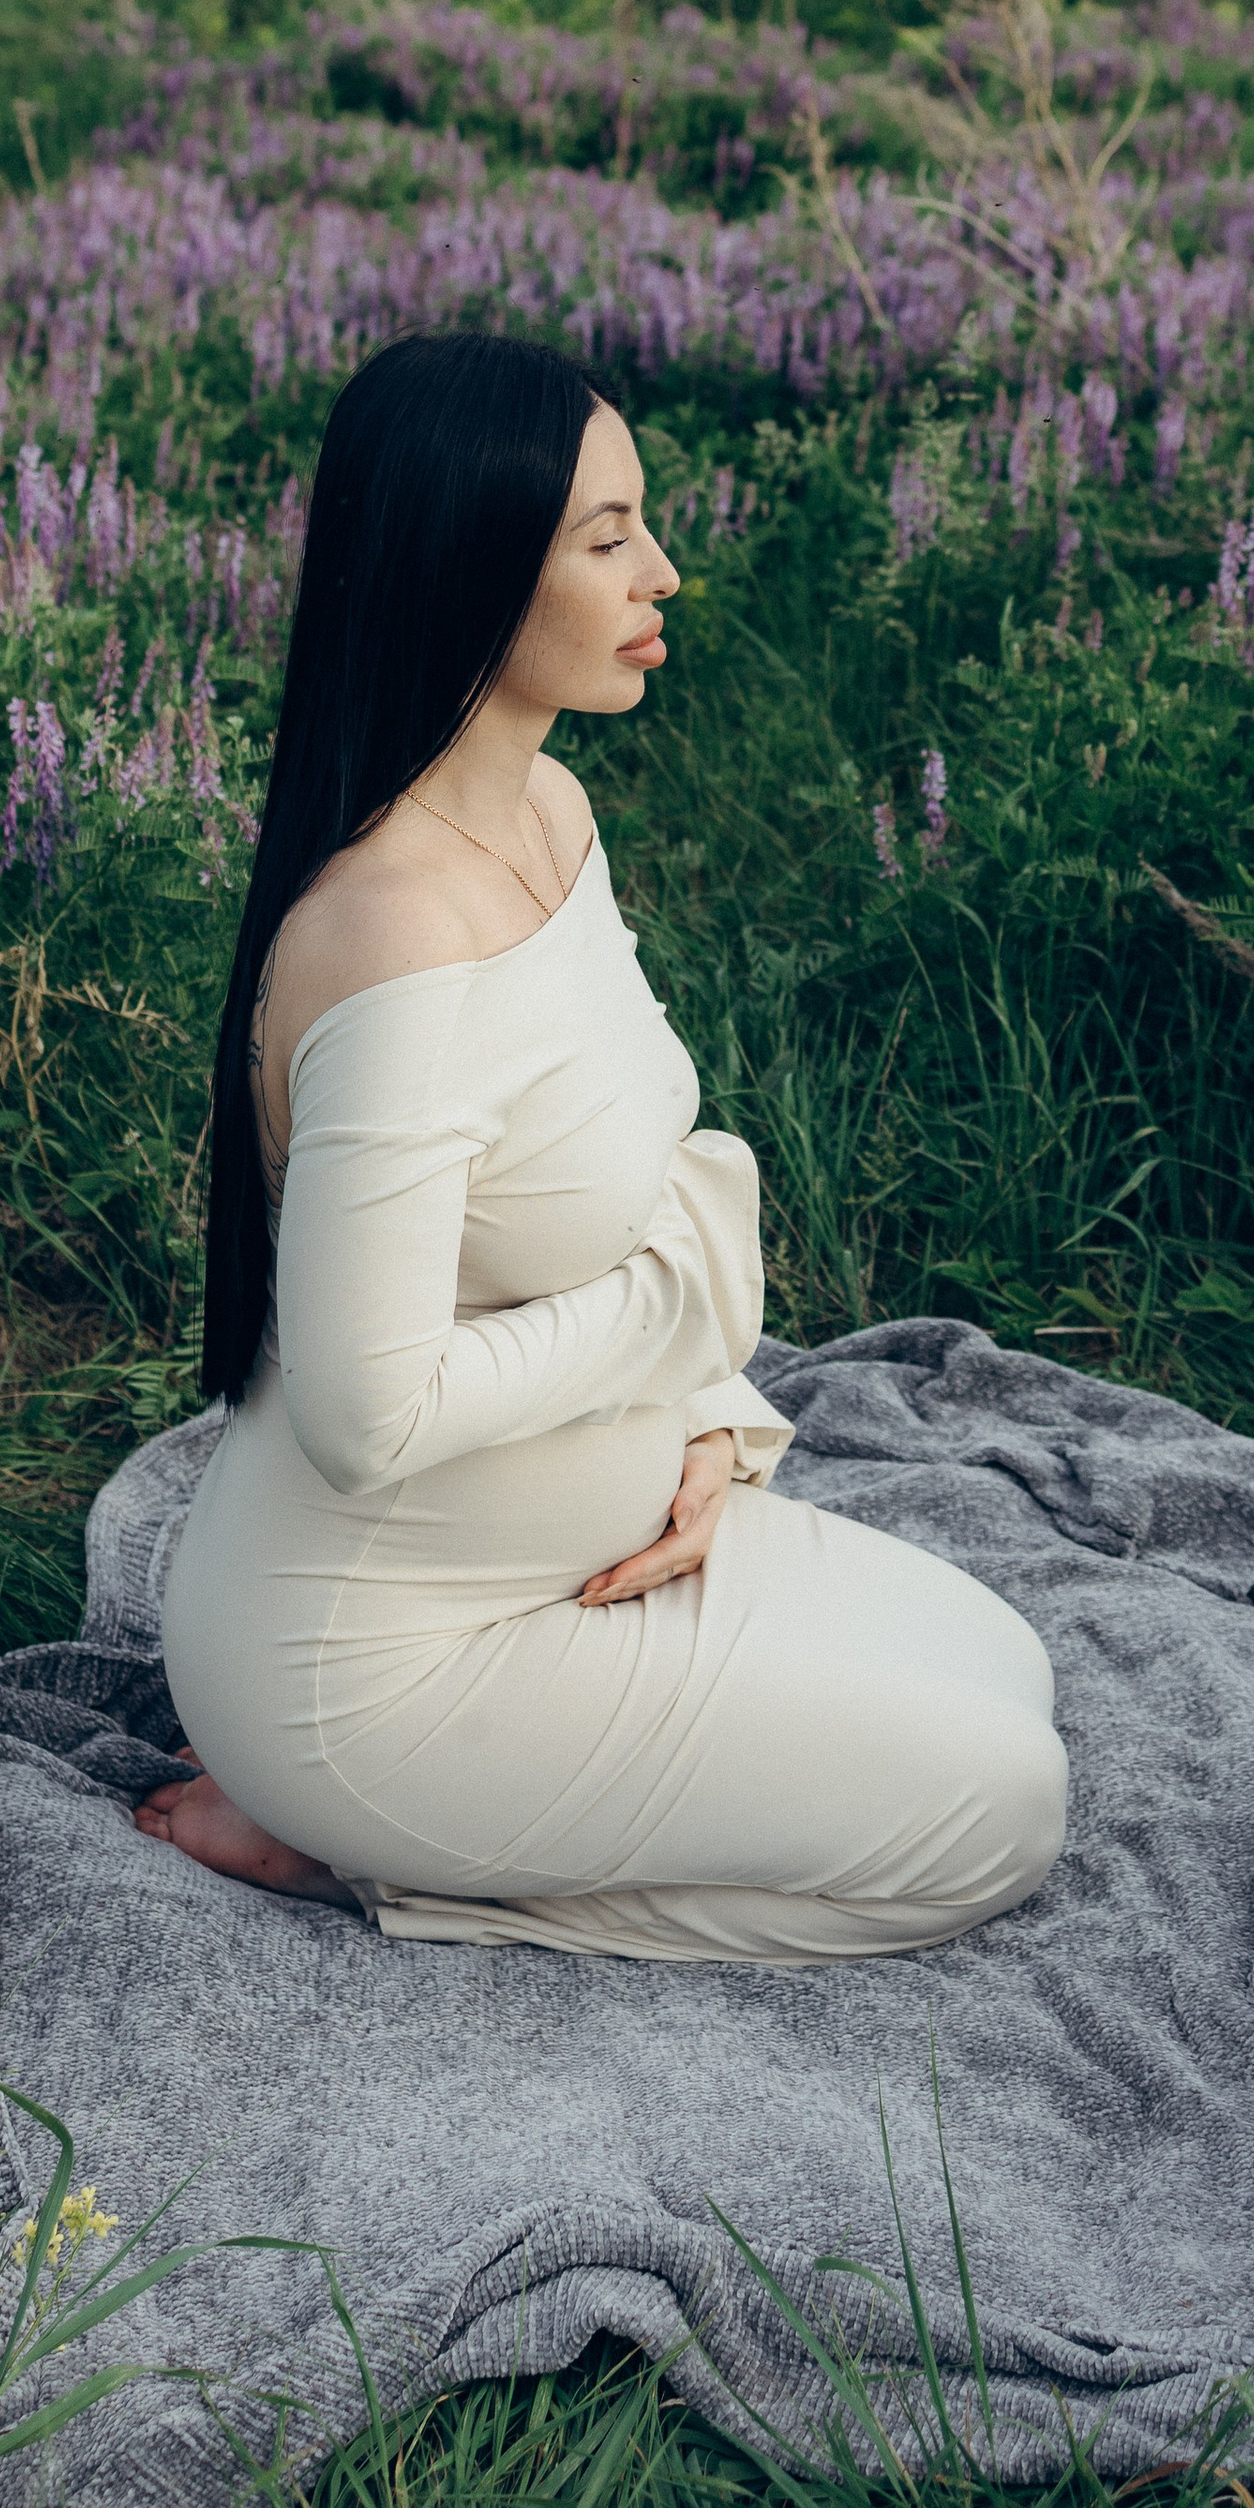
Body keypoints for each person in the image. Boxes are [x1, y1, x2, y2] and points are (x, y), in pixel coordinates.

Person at [140, 331, 1069, 1958]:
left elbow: (634, 1186)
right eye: (608, 536)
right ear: (472, 575)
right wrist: (679, 1307)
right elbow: (369, 1414)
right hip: (376, 1665)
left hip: (571, 1564)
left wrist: (704, 1419)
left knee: (1014, 1673)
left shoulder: (552, 815)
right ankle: (369, 1853)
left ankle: (402, 1828)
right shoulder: (394, 943)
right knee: (1001, 1818)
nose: (667, 572)